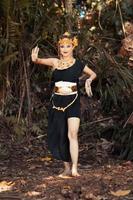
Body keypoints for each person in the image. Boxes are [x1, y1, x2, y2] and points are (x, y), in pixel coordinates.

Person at [31, 32, 97, 177]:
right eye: (62, 46)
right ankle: (66, 168)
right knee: (61, 134)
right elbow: (39, 61)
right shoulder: (55, 62)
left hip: (73, 101)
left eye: (68, 46)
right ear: (59, 48)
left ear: (73, 47)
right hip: (57, 102)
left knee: (72, 134)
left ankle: (74, 168)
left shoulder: (78, 64)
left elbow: (93, 74)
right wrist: (35, 58)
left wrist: (88, 80)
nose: (65, 49)